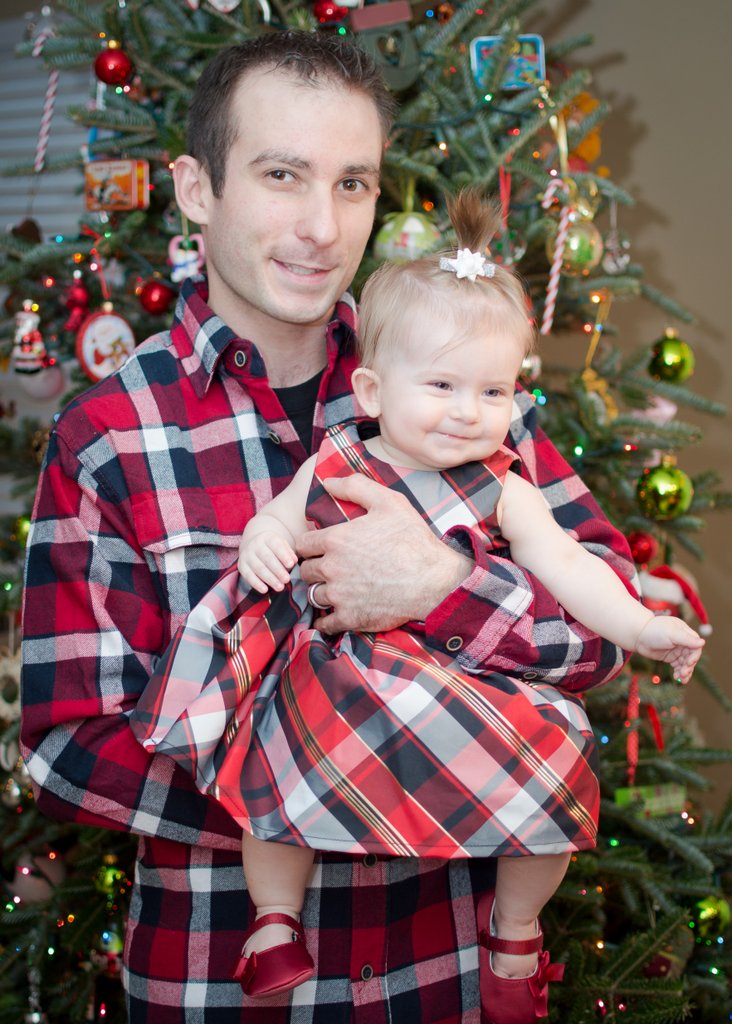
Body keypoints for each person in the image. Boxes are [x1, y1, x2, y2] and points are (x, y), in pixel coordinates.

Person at [21, 31, 639, 1024]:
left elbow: (609, 626)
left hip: (439, 983)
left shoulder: (457, 396)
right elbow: (68, 746)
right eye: (282, 176)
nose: (321, 227)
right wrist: (327, 787)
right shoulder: (109, 438)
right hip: (221, 986)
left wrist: (447, 587)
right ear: (195, 189)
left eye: (353, 184)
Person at [130, 190, 703, 1020]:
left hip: (463, 686)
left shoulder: (505, 484)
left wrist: (643, 625)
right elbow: (279, 520)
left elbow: (571, 567)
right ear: (371, 389)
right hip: (341, 683)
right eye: (441, 384)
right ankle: (275, 920)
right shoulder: (339, 460)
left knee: (560, 762)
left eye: (494, 391)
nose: (469, 412)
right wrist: (264, 541)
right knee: (271, 778)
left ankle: (514, 932)